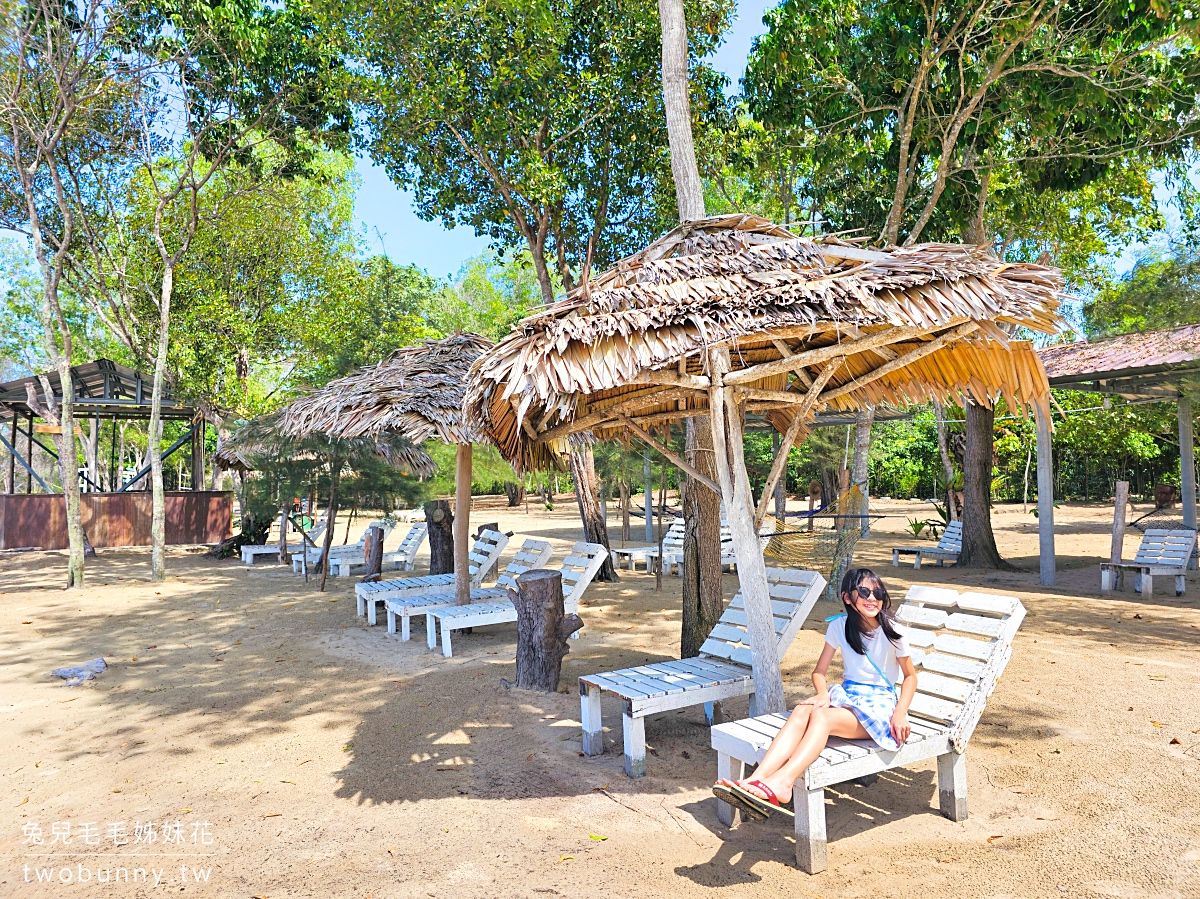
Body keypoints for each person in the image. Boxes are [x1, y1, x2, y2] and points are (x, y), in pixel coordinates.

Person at [713, 567, 917, 819]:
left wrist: (900, 712)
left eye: (877, 592)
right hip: (849, 697)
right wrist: (823, 694)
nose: (872, 598)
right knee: (803, 709)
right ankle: (756, 779)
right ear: (847, 597)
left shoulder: (893, 632)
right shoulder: (839, 627)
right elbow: (819, 672)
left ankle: (784, 782)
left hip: (880, 707)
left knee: (821, 718)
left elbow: (910, 677)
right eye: (864, 591)